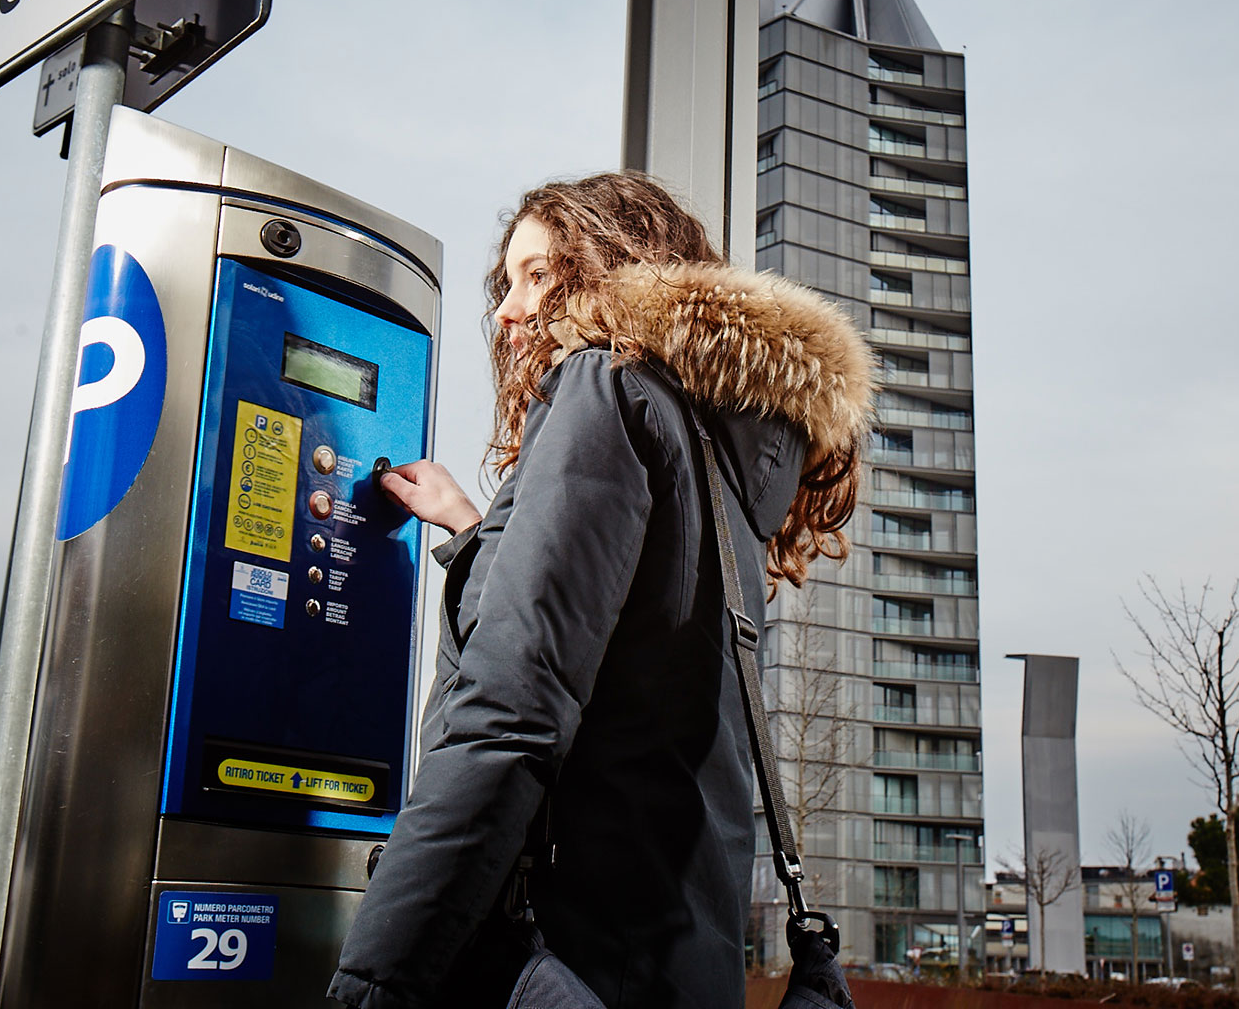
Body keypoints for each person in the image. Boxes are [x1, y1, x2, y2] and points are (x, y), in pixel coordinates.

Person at [329, 172, 873, 1009]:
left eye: (537, 275)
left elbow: (512, 713)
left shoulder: (604, 385)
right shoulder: (715, 459)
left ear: (611, 266)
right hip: (678, 959)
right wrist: (480, 533)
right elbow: (630, 666)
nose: (509, 311)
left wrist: (374, 981)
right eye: (506, 284)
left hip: (575, 958)